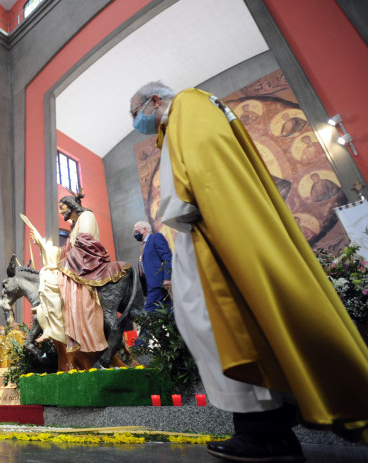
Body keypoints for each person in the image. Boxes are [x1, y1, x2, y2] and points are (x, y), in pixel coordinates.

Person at [129, 81, 368, 461]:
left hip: (209, 228)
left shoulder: (188, 105)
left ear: (154, 100)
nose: (134, 122)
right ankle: (269, 427)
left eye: (134, 112)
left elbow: (205, 165)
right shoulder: (176, 122)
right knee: (210, 323)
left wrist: (186, 206)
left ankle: (262, 432)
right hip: (202, 227)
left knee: (221, 322)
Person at [58, 193, 125, 353]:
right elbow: (65, 251)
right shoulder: (74, 226)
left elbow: (87, 244)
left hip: (88, 264)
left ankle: (88, 335)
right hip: (78, 264)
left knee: (70, 282)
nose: (60, 212)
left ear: (70, 205)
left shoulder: (87, 216)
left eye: (62, 207)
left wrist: (66, 260)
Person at [23, 213, 65, 344]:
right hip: (47, 278)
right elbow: (42, 247)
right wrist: (37, 241)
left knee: (52, 303)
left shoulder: (54, 250)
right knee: (44, 303)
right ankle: (47, 329)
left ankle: (52, 331)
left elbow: (44, 246)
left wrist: (37, 237)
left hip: (52, 278)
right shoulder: (48, 251)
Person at [132, 221, 172, 312]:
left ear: (145, 229)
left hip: (158, 283)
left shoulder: (155, 238)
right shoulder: (144, 246)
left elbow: (167, 258)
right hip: (150, 285)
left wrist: (167, 278)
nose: (134, 234)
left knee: (149, 310)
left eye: (136, 231)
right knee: (167, 310)